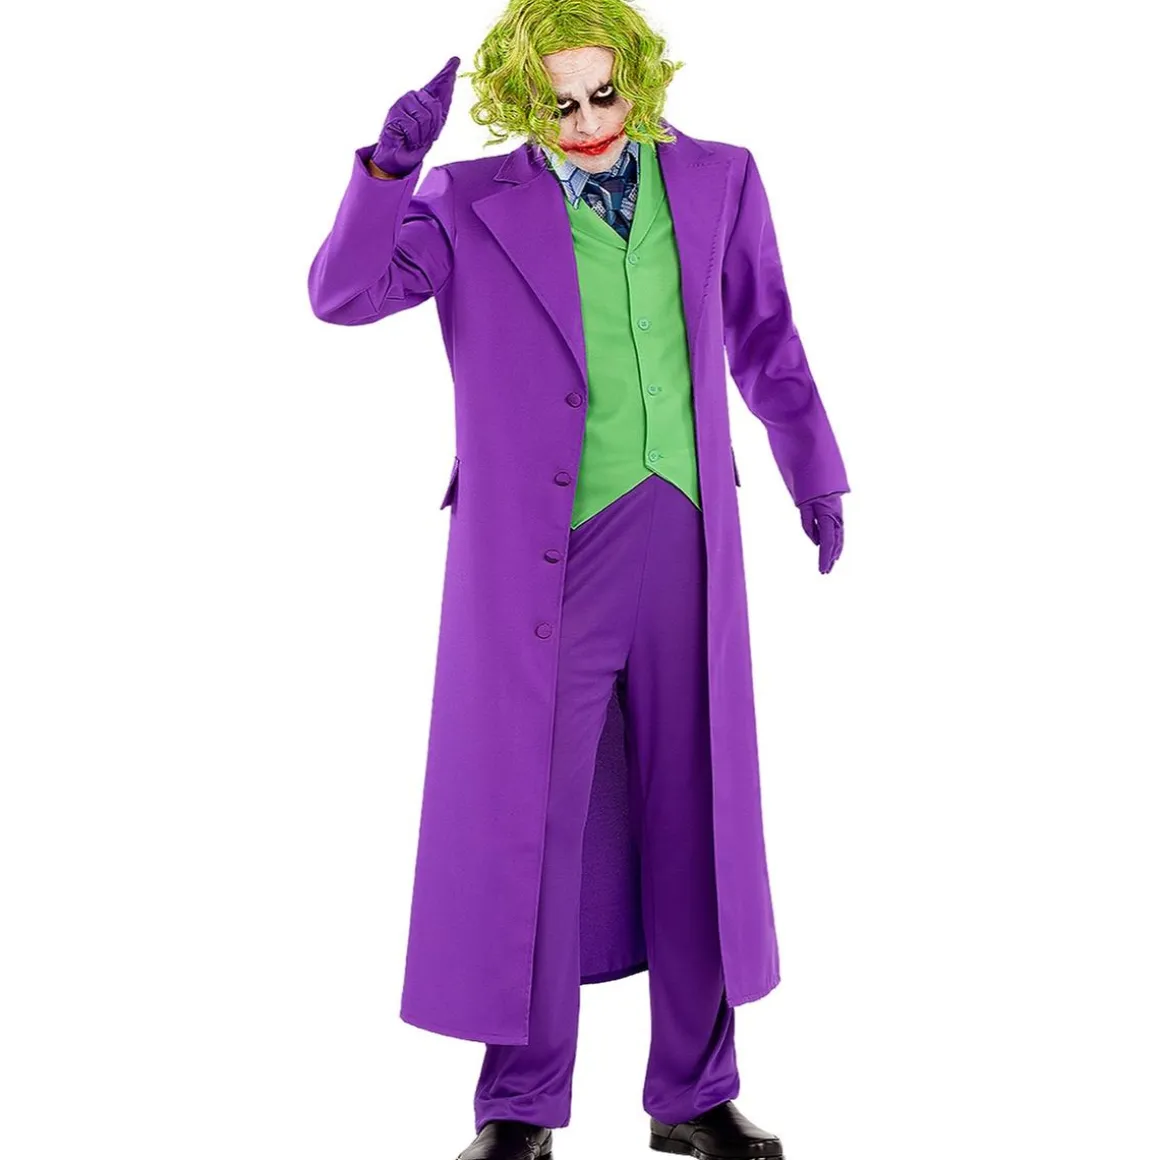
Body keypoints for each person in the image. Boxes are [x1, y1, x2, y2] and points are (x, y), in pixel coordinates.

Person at [307, 2, 849, 1156]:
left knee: (694, 811)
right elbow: (342, 294)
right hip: (546, 560)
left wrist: (812, 467)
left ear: (639, 77)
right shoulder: (465, 201)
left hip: (686, 537)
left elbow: (763, 333)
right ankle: (518, 1103)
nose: (589, 121)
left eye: (605, 93)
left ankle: (692, 1090)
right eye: (558, 103)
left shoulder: (718, 177)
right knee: (531, 824)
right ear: (518, 100)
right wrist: (387, 170)